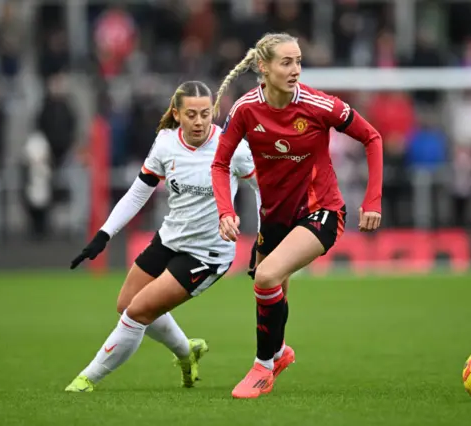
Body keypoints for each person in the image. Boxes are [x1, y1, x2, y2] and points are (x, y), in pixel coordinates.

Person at [210, 32, 383, 399]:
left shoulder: (320, 105)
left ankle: (262, 367)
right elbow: (220, 162)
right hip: (274, 218)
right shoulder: (245, 110)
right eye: (286, 62)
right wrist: (225, 211)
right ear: (264, 67)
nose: (295, 70)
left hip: (322, 211)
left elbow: (372, 138)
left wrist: (373, 200)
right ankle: (279, 352)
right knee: (271, 289)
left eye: (299, 61)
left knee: (267, 277)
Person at [65, 81, 260, 392]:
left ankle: (86, 380)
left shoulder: (231, 145)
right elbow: (138, 192)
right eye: (191, 114)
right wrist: (104, 234)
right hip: (169, 239)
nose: (199, 121)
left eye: (206, 114)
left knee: (138, 311)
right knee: (126, 303)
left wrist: (264, 238)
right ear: (177, 114)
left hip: (207, 255)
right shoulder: (166, 142)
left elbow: (261, 188)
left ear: (214, 113)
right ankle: (187, 351)